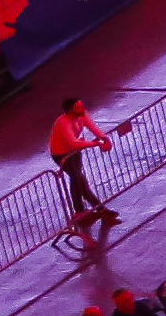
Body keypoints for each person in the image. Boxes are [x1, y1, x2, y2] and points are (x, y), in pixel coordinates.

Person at [47, 98, 120, 230]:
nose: (81, 109)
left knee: (79, 179)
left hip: (74, 151)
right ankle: (88, 209)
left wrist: (104, 138)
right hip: (61, 154)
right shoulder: (63, 123)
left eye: (81, 106)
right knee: (77, 178)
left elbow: (93, 127)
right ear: (70, 111)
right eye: (77, 108)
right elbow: (72, 143)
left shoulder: (82, 115)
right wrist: (95, 143)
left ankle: (92, 209)